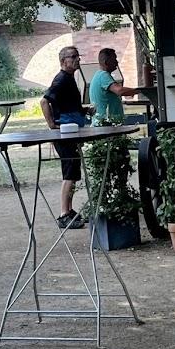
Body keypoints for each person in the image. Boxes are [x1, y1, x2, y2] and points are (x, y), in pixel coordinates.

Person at [42, 45, 88, 229]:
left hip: (72, 130)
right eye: (73, 57)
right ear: (63, 61)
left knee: (74, 172)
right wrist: (52, 125)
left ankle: (69, 210)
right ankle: (63, 214)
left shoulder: (69, 79)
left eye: (78, 56)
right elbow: (45, 101)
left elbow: (67, 104)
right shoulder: (61, 79)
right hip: (65, 133)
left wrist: (83, 110)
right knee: (69, 173)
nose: (78, 59)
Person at [88, 48, 139, 124]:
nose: (117, 62)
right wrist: (139, 91)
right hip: (106, 125)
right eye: (114, 59)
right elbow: (119, 90)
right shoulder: (103, 75)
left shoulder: (98, 75)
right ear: (106, 62)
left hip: (103, 123)